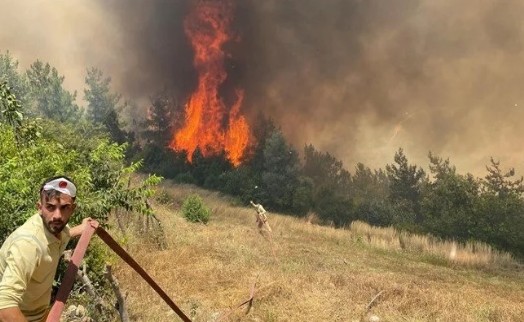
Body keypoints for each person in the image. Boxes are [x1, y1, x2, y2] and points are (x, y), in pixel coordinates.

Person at [0, 176, 92, 322]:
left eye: (64, 208)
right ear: (39, 207)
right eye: (50, 207)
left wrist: (84, 228)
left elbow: (65, 234)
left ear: (72, 209)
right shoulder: (28, 245)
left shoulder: (57, 230)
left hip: (40, 314)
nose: (57, 216)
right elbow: (4, 306)